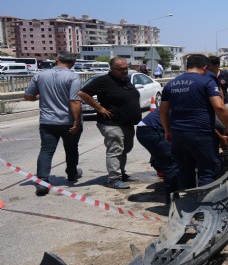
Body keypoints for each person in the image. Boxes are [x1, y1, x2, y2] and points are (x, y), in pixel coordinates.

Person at [159, 54, 228, 190]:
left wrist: (167, 130)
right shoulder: (206, 82)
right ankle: (205, 207)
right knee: (208, 170)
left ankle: (187, 205)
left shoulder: (170, 84)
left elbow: (163, 111)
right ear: (205, 67)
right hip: (201, 134)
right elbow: (219, 106)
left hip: (178, 135)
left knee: (185, 171)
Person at [23, 51, 83, 196]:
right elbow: (74, 100)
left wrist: (40, 96)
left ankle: (42, 181)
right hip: (67, 121)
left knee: (46, 150)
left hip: (47, 121)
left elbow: (28, 96)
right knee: (71, 148)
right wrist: (77, 121)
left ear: (56, 60)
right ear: (73, 63)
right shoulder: (73, 76)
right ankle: (72, 173)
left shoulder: (40, 75)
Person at [78, 57, 141, 189]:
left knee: (126, 148)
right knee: (116, 149)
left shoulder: (125, 79)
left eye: (126, 68)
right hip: (111, 123)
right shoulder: (103, 81)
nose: (124, 71)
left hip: (127, 123)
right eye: (121, 69)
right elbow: (82, 93)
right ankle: (114, 178)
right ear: (112, 69)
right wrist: (100, 108)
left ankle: (121, 173)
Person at [136, 108, 178, 204]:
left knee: (169, 158)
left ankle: (159, 165)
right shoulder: (188, 103)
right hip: (151, 130)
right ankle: (173, 200)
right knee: (171, 164)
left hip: (150, 128)